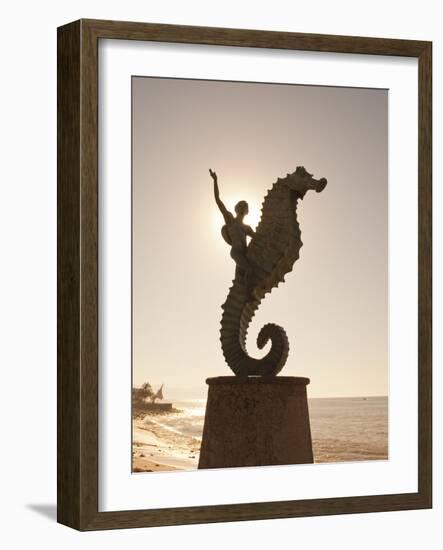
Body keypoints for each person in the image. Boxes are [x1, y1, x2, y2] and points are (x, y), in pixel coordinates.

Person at [210, 168, 255, 289]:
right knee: (249, 270)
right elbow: (218, 200)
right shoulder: (230, 220)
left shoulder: (247, 228)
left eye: (244, 206)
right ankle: (249, 293)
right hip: (236, 253)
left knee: (240, 279)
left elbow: (258, 238)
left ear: (246, 211)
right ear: (236, 208)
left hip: (245, 253)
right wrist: (215, 181)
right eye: (241, 205)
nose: (242, 207)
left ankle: (245, 292)